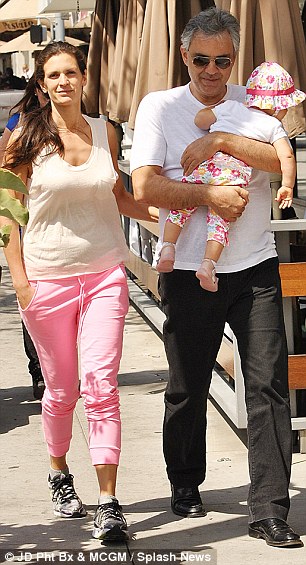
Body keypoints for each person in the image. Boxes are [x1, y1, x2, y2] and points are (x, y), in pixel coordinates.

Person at [131, 7, 303, 549]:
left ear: (234, 60)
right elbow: (144, 187)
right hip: (186, 270)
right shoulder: (159, 106)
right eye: (201, 59)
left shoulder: (250, 109)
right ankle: (185, 481)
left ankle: (271, 508)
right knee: (187, 385)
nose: (211, 70)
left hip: (253, 267)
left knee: (269, 387)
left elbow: (279, 160)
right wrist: (207, 194)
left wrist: (222, 143)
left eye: (222, 61)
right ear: (185, 56)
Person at [1, 41, 158, 542]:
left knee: (101, 385)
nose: (64, 81)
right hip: (47, 280)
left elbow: (120, 198)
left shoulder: (106, 131)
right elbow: (8, 215)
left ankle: (109, 503)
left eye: (72, 72)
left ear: (84, 77)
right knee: (62, 390)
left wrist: (172, 214)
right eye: (55, 75)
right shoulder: (22, 138)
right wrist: (21, 283)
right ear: (42, 83)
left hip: (105, 275)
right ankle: (58, 470)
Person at [157, 61, 305, 291]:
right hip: (231, 180)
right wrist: (287, 185)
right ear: (278, 107)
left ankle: (168, 246)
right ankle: (208, 264)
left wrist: (216, 115)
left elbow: (200, 120)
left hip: (205, 169)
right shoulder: (273, 126)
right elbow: (286, 158)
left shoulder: (231, 107)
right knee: (219, 223)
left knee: (181, 210)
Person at [0, 75, 48, 400]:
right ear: (41, 83)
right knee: (30, 301)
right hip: (27, 223)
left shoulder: (87, 123)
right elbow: (5, 163)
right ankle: (39, 373)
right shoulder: (21, 121)